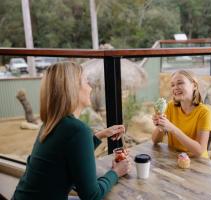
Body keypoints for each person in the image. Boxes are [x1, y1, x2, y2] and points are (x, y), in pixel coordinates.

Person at [13, 62, 131, 200]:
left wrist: (101, 135)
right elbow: (92, 195)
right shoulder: (78, 130)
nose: (90, 87)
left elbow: (68, 154)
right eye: (86, 82)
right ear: (73, 89)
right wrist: (116, 172)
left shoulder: (51, 123)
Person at [152, 70, 211, 158]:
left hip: (198, 163)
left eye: (180, 83)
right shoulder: (170, 106)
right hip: (175, 158)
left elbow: (199, 151)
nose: (175, 87)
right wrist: (160, 125)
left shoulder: (204, 112)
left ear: (194, 86)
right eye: (172, 85)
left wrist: (172, 129)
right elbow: (155, 140)